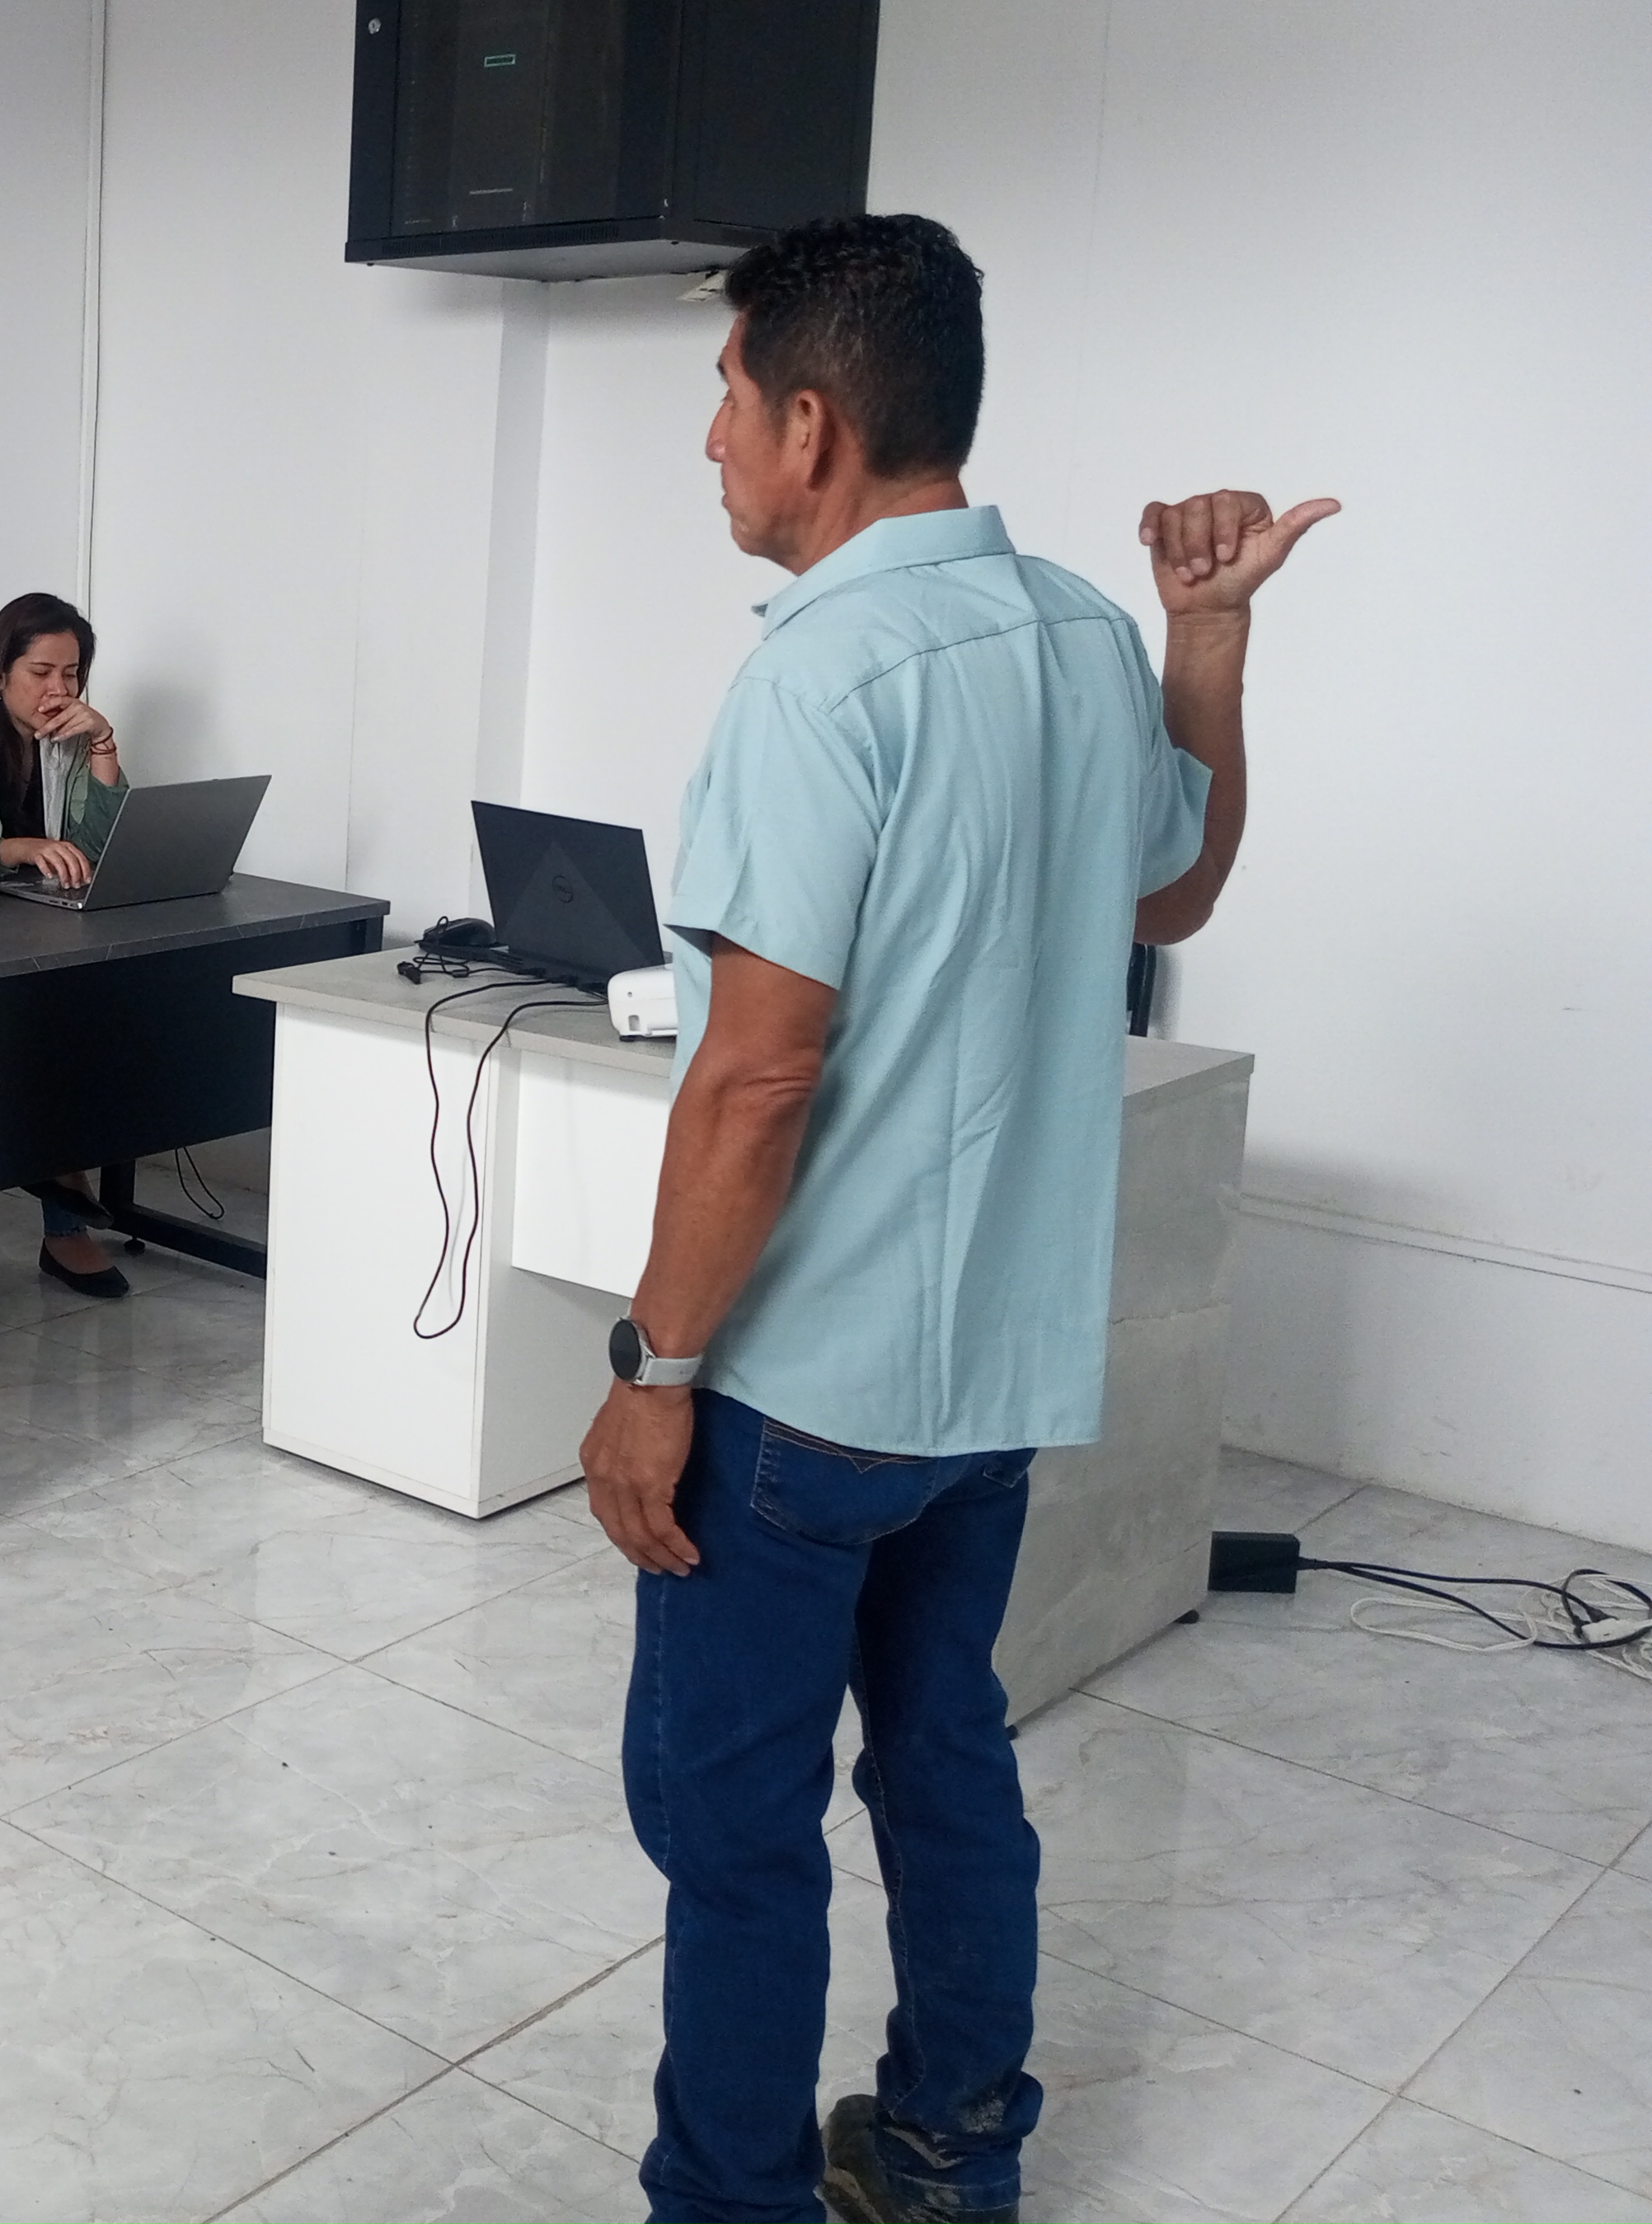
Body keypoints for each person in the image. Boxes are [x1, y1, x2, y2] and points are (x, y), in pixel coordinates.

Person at [571, 214, 1333, 2224]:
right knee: (940, 1753)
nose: (710, 440)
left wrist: (654, 1366)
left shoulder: (817, 679)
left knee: (732, 1823)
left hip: (799, 1386)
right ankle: (946, 2154)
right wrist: (1206, 641)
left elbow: (756, 1077)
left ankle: (726, 2199)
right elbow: (1173, 886)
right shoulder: (1077, 632)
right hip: (988, 1370)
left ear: (811, 425)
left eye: (725, 397)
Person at [0, 591, 134, 1297]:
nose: (57, 690)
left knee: (106, 1011)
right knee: (50, 1027)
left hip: (46, 931)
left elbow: (102, 851)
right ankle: (64, 1213)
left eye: (72, 674)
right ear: (0, 672)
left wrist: (104, 748)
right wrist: (15, 848)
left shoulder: (71, 740)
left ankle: (59, 1184)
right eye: (41, 672)